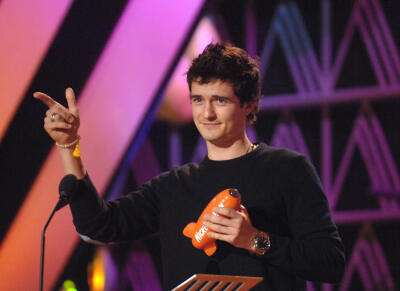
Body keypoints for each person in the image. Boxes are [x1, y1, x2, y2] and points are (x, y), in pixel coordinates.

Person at [34, 43, 345, 290]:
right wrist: (68, 145)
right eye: (198, 100)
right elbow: (98, 225)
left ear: (249, 104)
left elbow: (329, 263)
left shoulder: (288, 169)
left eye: (219, 101)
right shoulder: (173, 187)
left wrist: (253, 239)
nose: (206, 113)